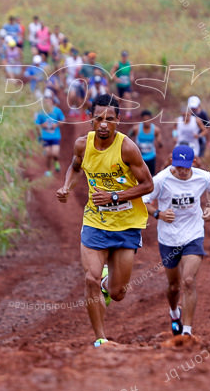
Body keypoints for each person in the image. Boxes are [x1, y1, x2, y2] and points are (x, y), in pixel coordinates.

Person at [56, 93, 154, 348]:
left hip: (127, 224)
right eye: (98, 118)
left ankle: (106, 283)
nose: (103, 124)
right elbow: (76, 167)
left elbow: (147, 185)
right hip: (95, 222)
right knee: (89, 278)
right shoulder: (82, 145)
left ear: (118, 120)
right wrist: (66, 186)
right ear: (91, 118)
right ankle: (101, 339)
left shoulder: (127, 148)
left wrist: (113, 196)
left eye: (109, 119)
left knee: (117, 293)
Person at [144, 144, 210, 337]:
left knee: (189, 280)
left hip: (193, 234)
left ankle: (187, 331)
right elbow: (143, 202)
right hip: (168, 237)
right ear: (173, 164)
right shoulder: (161, 179)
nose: (183, 171)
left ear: (192, 163)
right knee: (174, 286)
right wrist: (158, 213)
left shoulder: (202, 176)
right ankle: (174, 312)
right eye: (179, 167)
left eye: (186, 167)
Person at [35, 91, 65, 176]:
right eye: (46, 100)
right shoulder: (40, 112)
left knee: (55, 153)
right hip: (45, 136)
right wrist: (42, 125)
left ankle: (56, 161)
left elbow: (62, 120)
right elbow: (36, 124)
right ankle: (48, 170)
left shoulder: (57, 111)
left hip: (55, 136)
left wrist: (57, 124)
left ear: (52, 101)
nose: (47, 102)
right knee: (48, 154)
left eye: (49, 100)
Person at [130, 110, 162, 176]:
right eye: (144, 120)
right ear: (142, 120)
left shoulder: (156, 130)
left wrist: (159, 143)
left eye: (148, 119)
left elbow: (160, 142)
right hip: (139, 157)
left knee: (151, 175)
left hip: (151, 156)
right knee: (138, 175)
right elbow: (128, 136)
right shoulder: (136, 128)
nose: (146, 122)